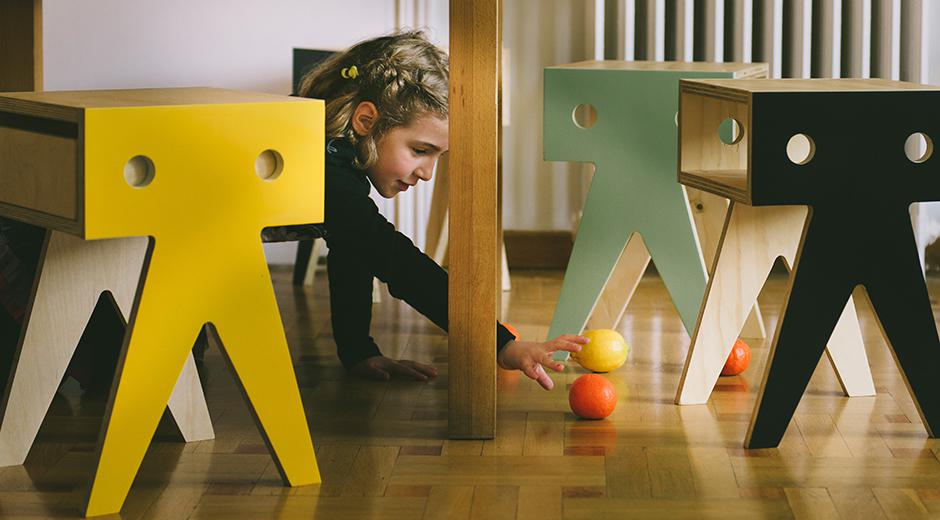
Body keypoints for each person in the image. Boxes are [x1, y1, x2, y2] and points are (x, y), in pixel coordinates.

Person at [290, 31, 588, 390]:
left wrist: (357, 352)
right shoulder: (323, 169)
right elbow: (395, 261)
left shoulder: (339, 162)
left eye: (437, 156)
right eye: (419, 150)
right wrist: (500, 343)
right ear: (366, 121)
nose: (428, 173)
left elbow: (354, 248)